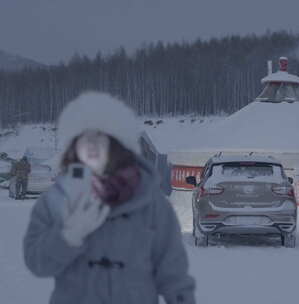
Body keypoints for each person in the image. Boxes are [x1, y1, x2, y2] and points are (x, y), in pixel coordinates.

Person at [23, 92, 196, 304]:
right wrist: (67, 237)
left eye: (100, 139)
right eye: (85, 139)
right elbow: (37, 263)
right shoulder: (55, 201)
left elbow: (173, 275)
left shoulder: (151, 204)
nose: (92, 148)